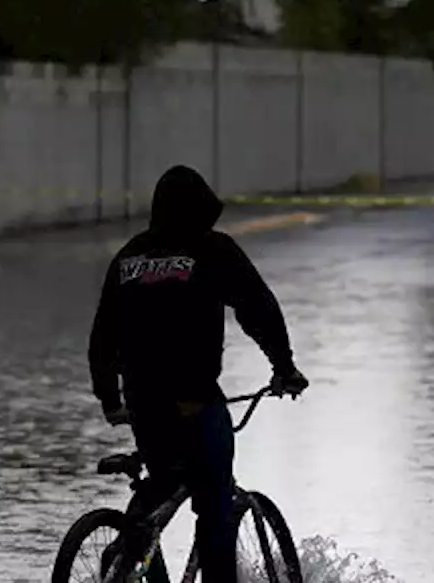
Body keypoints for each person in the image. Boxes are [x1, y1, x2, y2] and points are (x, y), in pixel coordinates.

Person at [87, 164, 309, 583]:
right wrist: (284, 367)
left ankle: (125, 562)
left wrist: (110, 398)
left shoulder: (129, 256)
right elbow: (257, 308)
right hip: (194, 400)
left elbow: (103, 334)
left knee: (162, 483)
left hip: (142, 401)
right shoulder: (212, 250)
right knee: (216, 509)